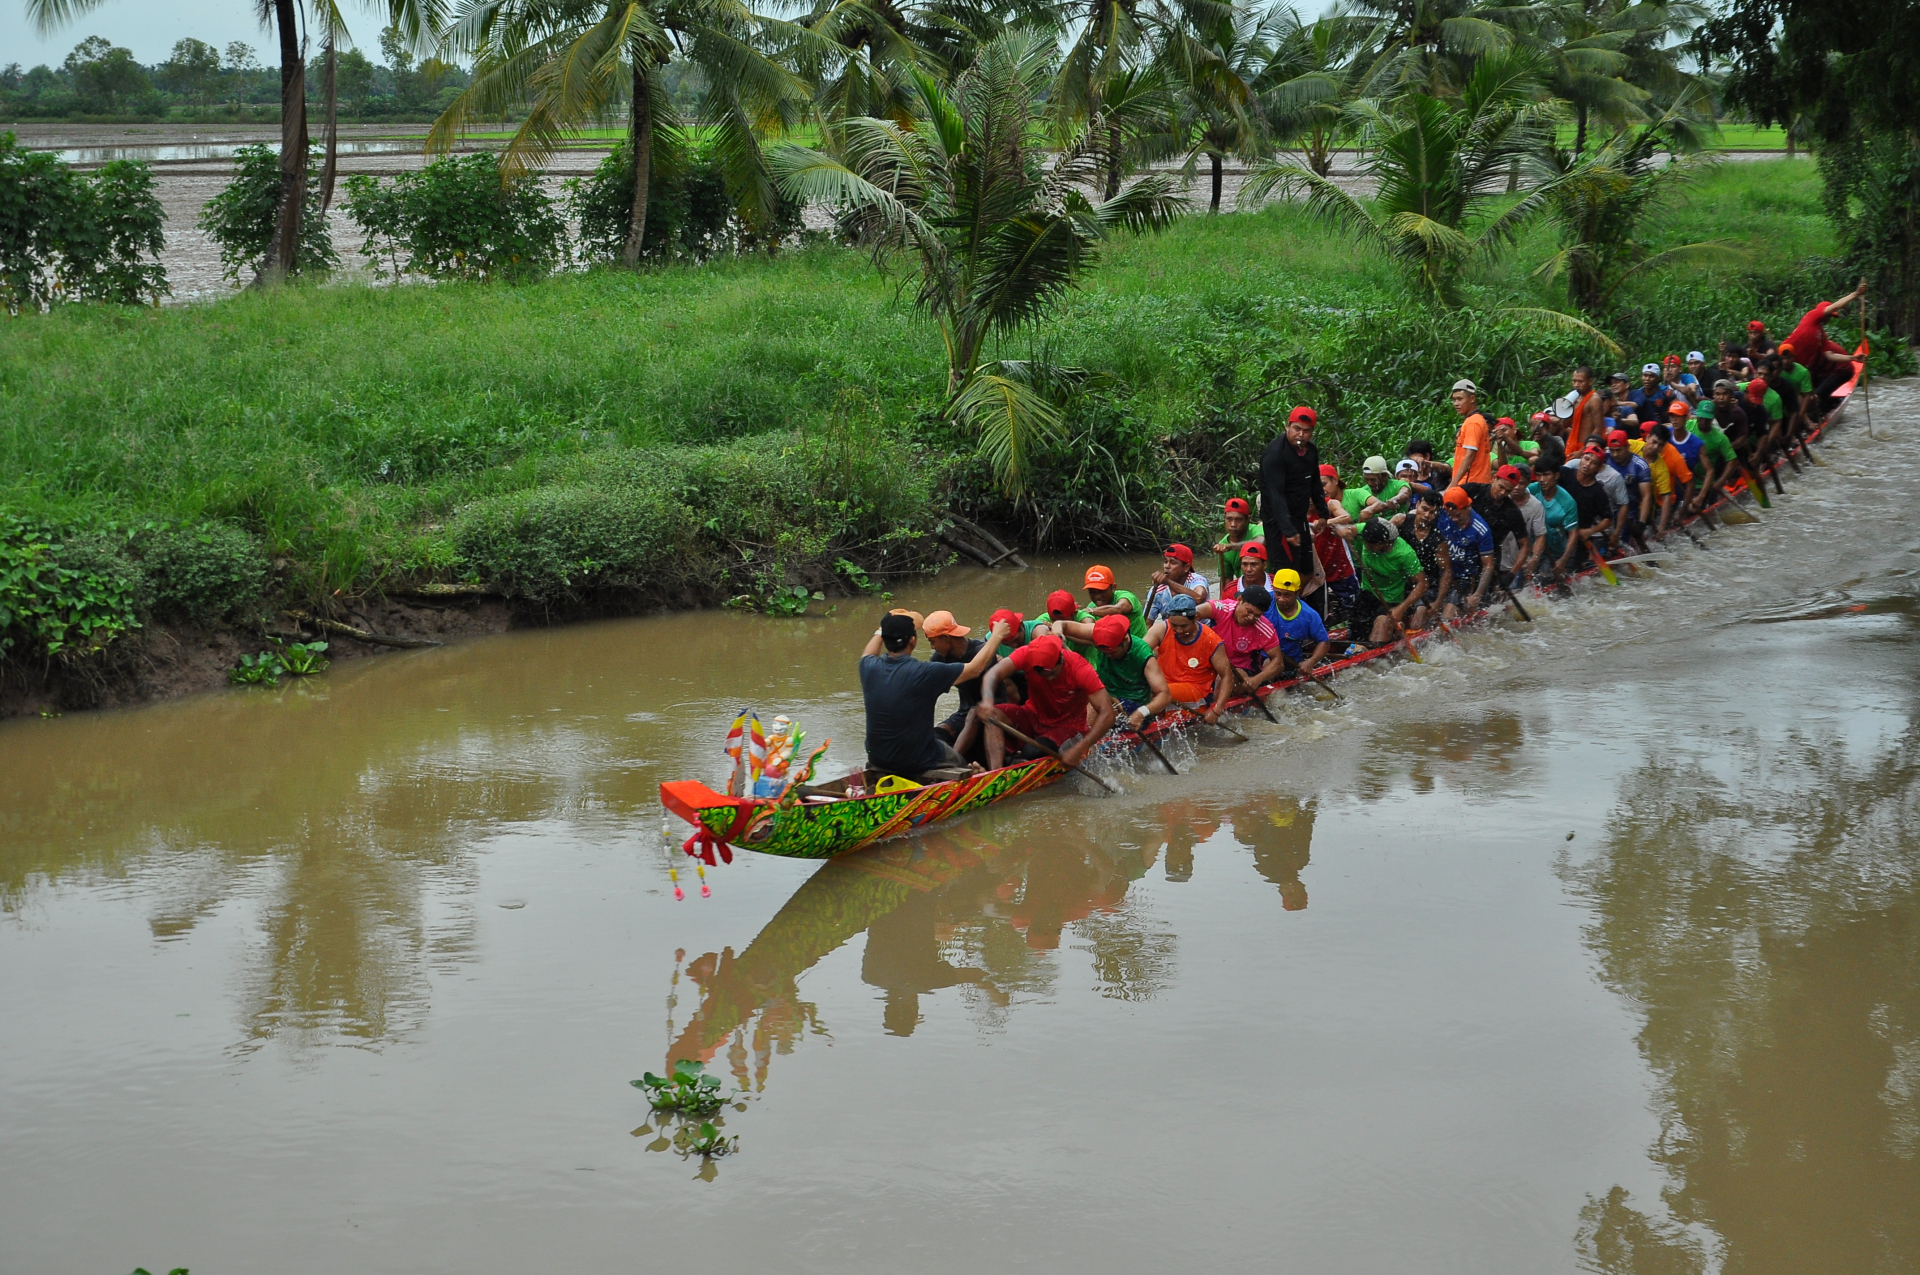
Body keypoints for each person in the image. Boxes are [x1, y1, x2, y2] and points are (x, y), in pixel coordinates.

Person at [861, 611, 1011, 783]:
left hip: (876, 757)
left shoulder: (867, 667)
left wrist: (885, 626)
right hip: (914, 760)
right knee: (958, 762)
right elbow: (975, 669)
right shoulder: (925, 672)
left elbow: (868, 652)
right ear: (913, 641)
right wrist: (997, 636)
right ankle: (972, 781)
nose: (932, 646)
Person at [973, 634, 1116, 771]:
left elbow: (1108, 714)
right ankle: (996, 772)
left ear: (1061, 658)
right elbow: (992, 674)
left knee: (1032, 751)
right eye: (1044, 675)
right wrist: (987, 701)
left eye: (1053, 673)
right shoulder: (1026, 654)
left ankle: (1019, 759)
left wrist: (1079, 749)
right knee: (993, 715)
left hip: (1067, 727)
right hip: (1034, 715)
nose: (1050, 679)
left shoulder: (1080, 668)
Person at [1132, 595, 1233, 730]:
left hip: (1196, 690)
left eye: (1184, 626)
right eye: (1174, 625)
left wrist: (1217, 710)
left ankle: (1140, 716)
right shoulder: (1161, 629)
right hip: (1164, 685)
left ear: (1196, 618)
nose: (1178, 630)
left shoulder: (1211, 640)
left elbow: (1227, 676)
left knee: (1154, 691)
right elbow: (1137, 656)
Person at [1050, 612, 1166, 721]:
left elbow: (1164, 695)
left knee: (1096, 708)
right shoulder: (1098, 633)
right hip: (1104, 694)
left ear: (1125, 639)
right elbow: (1061, 624)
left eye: (1112, 652)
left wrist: (1141, 712)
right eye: (1104, 652)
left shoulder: (1143, 655)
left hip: (1134, 705)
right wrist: (1058, 635)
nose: (1108, 656)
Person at [1259, 405, 1329, 578]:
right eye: (1297, 429)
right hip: (1278, 521)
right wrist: (1288, 530)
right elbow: (1276, 496)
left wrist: (1323, 513)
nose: (1300, 435)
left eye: (1306, 431)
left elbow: (1314, 482)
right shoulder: (1275, 454)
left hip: (1299, 517)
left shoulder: (1311, 451)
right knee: (1285, 573)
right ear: (1287, 427)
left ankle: (1298, 596)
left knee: (1306, 570)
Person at [1786, 278, 1867, 415]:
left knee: (1806, 395)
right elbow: (1835, 307)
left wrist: (1853, 358)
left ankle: (1808, 417)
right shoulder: (1812, 316)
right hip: (1785, 358)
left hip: (1797, 367)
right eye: (1829, 316)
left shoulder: (1822, 336)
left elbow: (1830, 355)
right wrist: (1856, 294)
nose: (1829, 319)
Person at [925, 610, 1001, 749]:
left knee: (974, 713)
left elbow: (976, 672)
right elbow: (929, 689)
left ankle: (956, 760)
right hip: (965, 712)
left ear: (946, 638)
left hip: (993, 709)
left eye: (933, 641)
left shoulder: (982, 652)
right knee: (938, 733)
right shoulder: (939, 658)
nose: (932, 647)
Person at [1195, 586, 1285, 695]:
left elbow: (1278, 661)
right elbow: (1192, 613)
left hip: (1239, 671)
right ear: (1240, 600)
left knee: (1227, 677)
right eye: (1249, 611)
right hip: (1211, 661)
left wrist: (1257, 680)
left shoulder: (1264, 629)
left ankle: (1217, 703)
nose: (1251, 618)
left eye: (1257, 616)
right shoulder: (1221, 608)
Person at [1353, 518, 1426, 646]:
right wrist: (1341, 530)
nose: (1367, 547)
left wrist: (1400, 609)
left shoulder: (1404, 553)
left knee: (1379, 634)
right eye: (1365, 543)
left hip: (1391, 600)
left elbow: (1422, 584)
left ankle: (1384, 642)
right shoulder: (1366, 529)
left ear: (1385, 543)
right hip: (1368, 593)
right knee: (1356, 634)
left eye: (1371, 545)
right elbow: (1349, 529)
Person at [1460, 465, 1537, 585]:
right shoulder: (1473, 490)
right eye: (1501, 487)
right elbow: (1449, 500)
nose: (1502, 493)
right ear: (1494, 478)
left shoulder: (1511, 511)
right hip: (1461, 550)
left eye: (1508, 491)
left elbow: (1525, 545)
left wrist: (1511, 574)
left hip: (1489, 561)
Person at [1436, 487, 1494, 619]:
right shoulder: (1441, 513)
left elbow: (1488, 565)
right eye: (1450, 515)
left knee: (1447, 617)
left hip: (1463, 578)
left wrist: (1477, 595)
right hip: (1440, 572)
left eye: (1458, 515)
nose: (1454, 519)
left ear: (1468, 507)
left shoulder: (1480, 529)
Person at [1560, 444, 1620, 570]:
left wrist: (1589, 531)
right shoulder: (1564, 474)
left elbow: (1608, 519)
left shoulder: (1598, 492)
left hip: (1577, 537)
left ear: (1598, 468)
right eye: (1586, 459)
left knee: (1570, 570)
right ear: (1581, 459)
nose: (1587, 464)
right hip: (1555, 530)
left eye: (1593, 463)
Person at [1399, 493, 1451, 629]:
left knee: (1420, 612)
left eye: (1433, 512)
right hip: (1399, 581)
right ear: (1417, 505)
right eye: (1424, 509)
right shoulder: (1401, 521)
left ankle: (1418, 635)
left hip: (1426, 586)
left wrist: (1438, 602)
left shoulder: (1438, 541)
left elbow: (1446, 571)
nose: (1427, 515)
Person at [1527, 456, 1579, 580]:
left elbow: (1573, 533)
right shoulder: (1532, 490)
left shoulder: (1567, 502)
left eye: (1546, 475)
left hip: (1555, 553)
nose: (1542, 480)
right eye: (1538, 475)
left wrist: (1563, 560)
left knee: (1543, 581)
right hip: (1531, 549)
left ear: (1556, 475)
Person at [1604, 428, 1653, 551]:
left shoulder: (1640, 466)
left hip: (1629, 512)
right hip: (1607, 509)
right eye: (1612, 450)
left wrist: (1641, 523)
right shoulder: (1604, 457)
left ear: (1627, 447)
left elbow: (1646, 496)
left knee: (1620, 544)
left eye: (1619, 450)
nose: (1615, 455)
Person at [1144, 543, 1210, 622]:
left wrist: (1168, 582)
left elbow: (1199, 598)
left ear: (1186, 568)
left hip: (1201, 628)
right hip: (1172, 628)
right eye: (1165, 561)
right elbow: (1147, 623)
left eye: (1173, 562)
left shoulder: (1196, 580)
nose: (1167, 566)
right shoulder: (1157, 591)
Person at [1081, 564, 1144, 639]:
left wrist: (1091, 611)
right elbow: (1089, 631)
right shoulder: (1091, 606)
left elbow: (1119, 609)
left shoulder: (1126, 596)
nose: (1097, 596)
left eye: (1102, 591)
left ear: (1113, 587)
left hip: (1137, 644)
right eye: (1092, 592)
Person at [1450, 378, 1494, 485]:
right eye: (1454, 400)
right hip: (1476, 482)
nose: (1456, 403)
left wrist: (1452, 484)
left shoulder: (1473, 422)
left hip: (1470, 484)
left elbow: (1470, 455)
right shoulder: (1475, 420)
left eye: (1460, 399)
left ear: (1472, 398)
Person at [1343, 455, 1409, 525]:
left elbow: (1405, 493)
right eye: (1366, 479)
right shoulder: (1363, 492)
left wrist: (1395, 500)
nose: (1369, 483)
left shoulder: (1398, 485)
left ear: (1384, 476)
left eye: (1373, 480)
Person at [1211, 497, 1263, 583]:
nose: (1233, 524)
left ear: (1248, 520)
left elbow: (1261, 542)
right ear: (1224, 518)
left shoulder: (1256, 530)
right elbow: (1226, 581)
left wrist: (1230, 547)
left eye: (1238, 520)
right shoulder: (1223, 544)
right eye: (1229, 519)